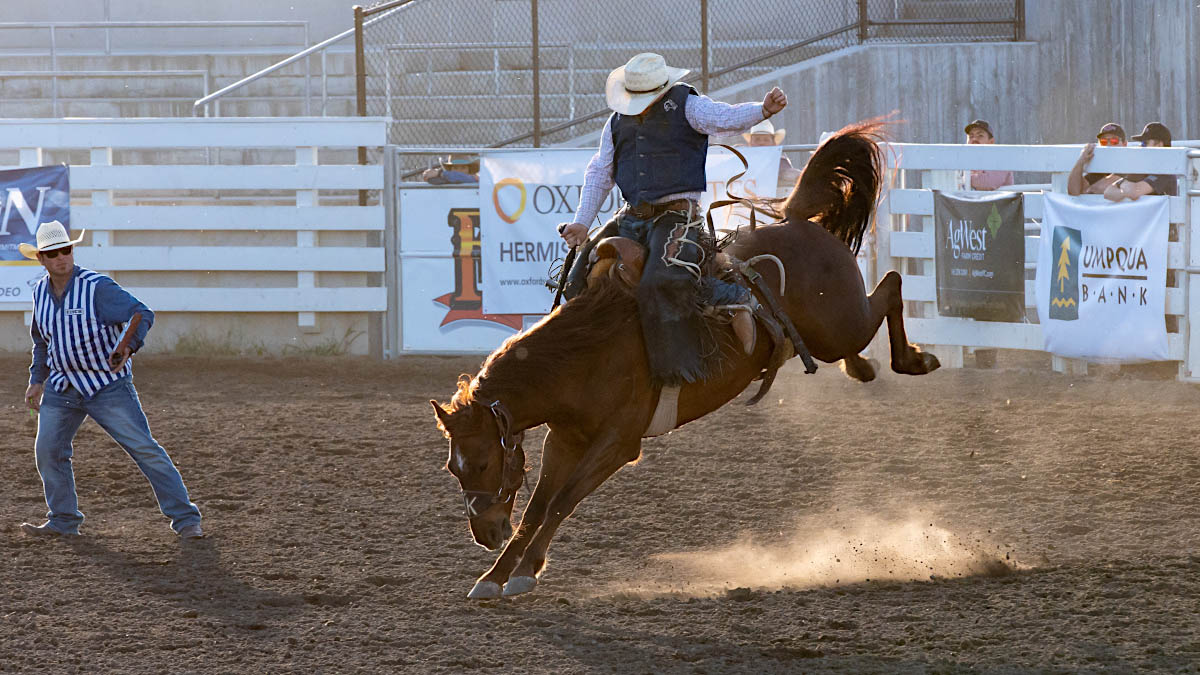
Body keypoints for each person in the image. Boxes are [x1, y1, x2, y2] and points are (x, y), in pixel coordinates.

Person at [557, 52, 788, 386]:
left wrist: (762, 111)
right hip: (632, 215)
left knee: (660, 281)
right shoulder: (616, 122)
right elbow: (600, 171)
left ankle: (678, 365)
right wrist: (582, 221)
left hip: (678, 217)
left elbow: (723, 117)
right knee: (577, 281)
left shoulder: (687, 104)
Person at [19, 220, 203, 540]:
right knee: (48, 450)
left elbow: (141, 314)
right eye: (53, 253)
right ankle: (63, 519)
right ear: (42, 259)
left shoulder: (97, 287)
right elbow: (42, 342)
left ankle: (185, 518)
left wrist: (127, 347)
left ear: (72, 252)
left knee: (143, 448)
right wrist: (37, 379)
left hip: (106, 385)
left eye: (66, 250)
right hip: (63, 385)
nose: (61, 257)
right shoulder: (39, 293)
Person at [1101, 122, 1178, 202]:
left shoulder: (1166, 172)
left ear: (1159, 145)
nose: (1140, 147)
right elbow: (1108, 192)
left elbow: (1134, 192)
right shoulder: (1143, 169)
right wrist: (1125, 191)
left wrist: (1125, 188)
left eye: (1144, 143)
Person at [742, 118, 801, 192]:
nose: (761, 143)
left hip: (771, 201)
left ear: (774, 144)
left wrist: (799, 175)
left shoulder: (779, 161)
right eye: (757, 139)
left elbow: (787, 172)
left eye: (766, 140)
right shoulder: (741, 159)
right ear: (750, 143)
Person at [1067, 122, 1126, 196]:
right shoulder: (1098, 169)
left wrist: (1092, 189)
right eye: (1103, 141)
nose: (1108, 144)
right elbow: (1073, 191)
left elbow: (1095, 189)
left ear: (1124, 144)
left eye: (1114, 141)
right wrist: (1081, 160)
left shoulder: (1132, 165)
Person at [962, 120, 1014, 190]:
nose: (974, 139)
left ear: (991, 142)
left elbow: (987, 183)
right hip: (973, 200)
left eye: (980, 135)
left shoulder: (1000, 159)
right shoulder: (965, 159)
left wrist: (964, 179)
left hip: (997, 200)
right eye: (971, 136)